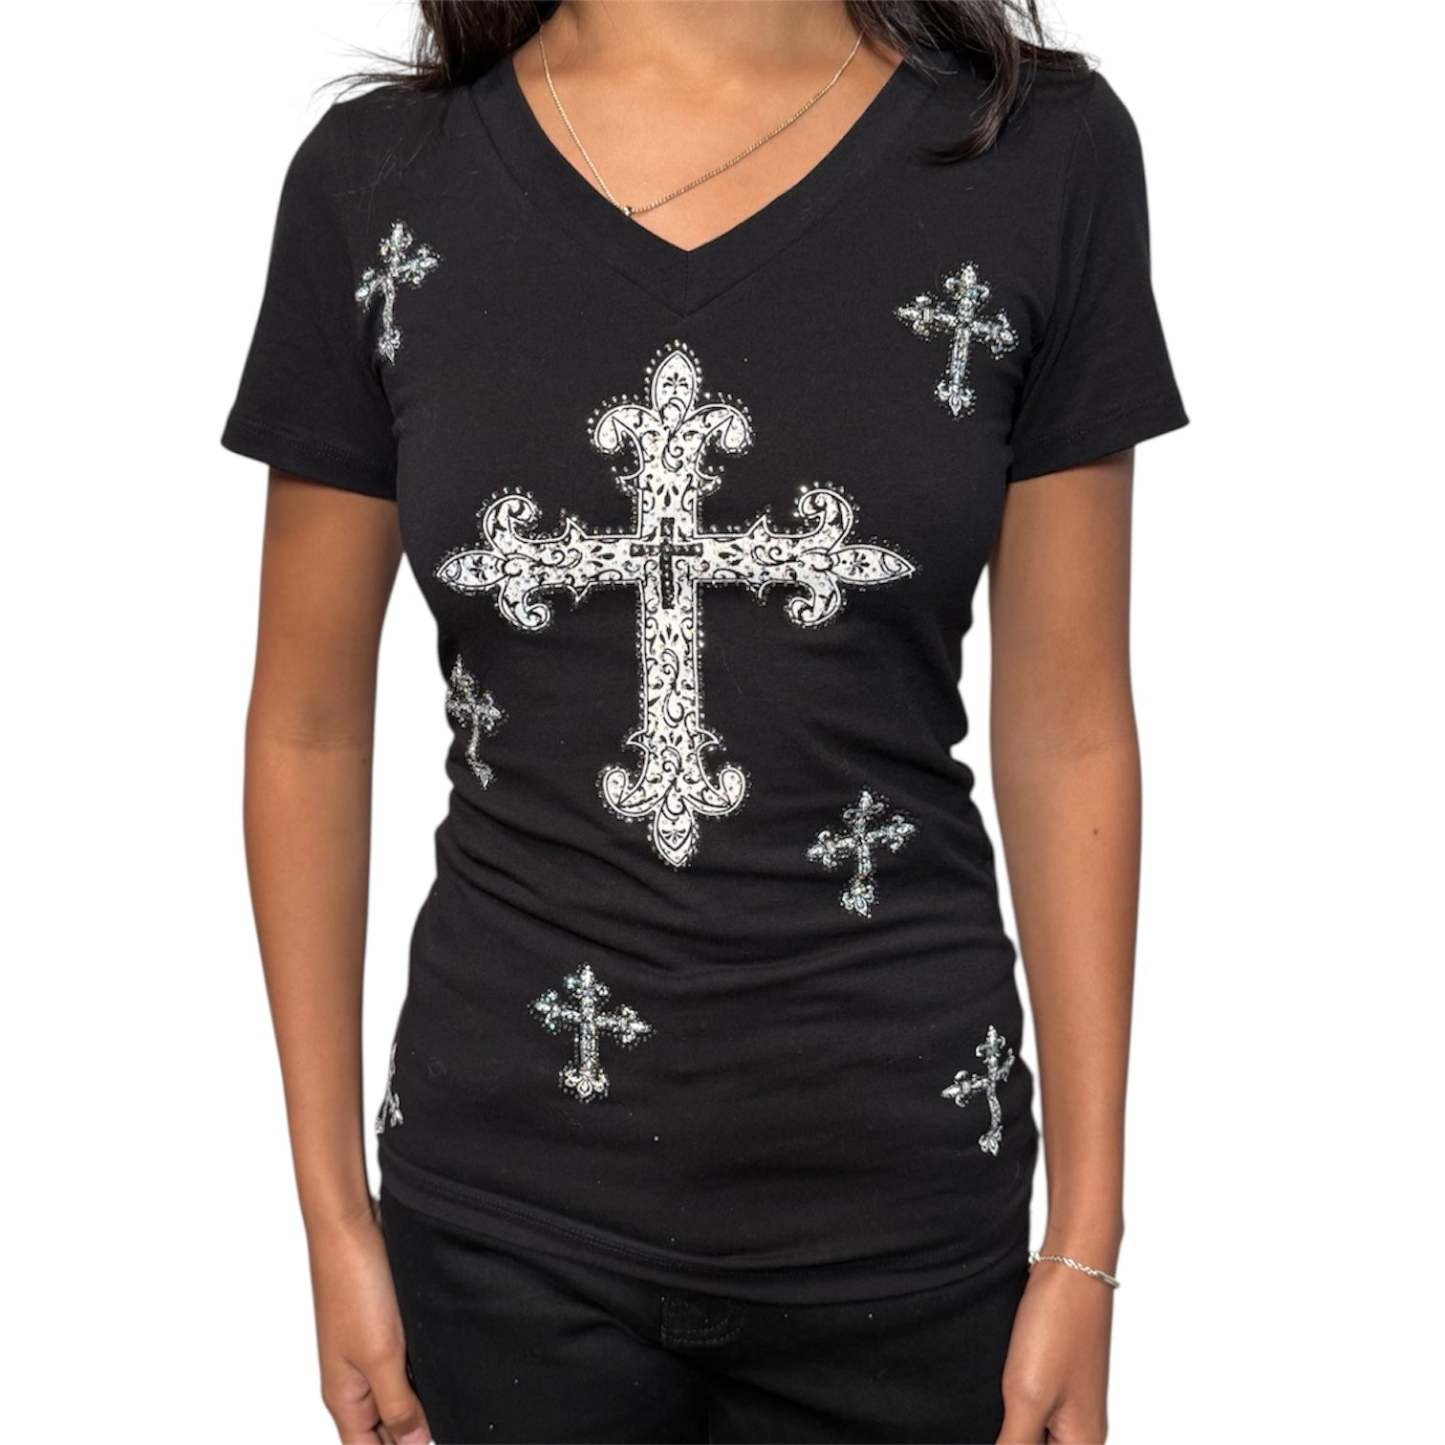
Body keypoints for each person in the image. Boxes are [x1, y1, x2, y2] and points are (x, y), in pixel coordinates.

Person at [223, 2, 1186, 1440]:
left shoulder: (1038, 154)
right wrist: (332, 1217)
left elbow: (1068, 728)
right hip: (498, 1228)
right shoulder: (381, 184)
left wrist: (1086, 1237)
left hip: (910, 1225)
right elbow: (305, 727)